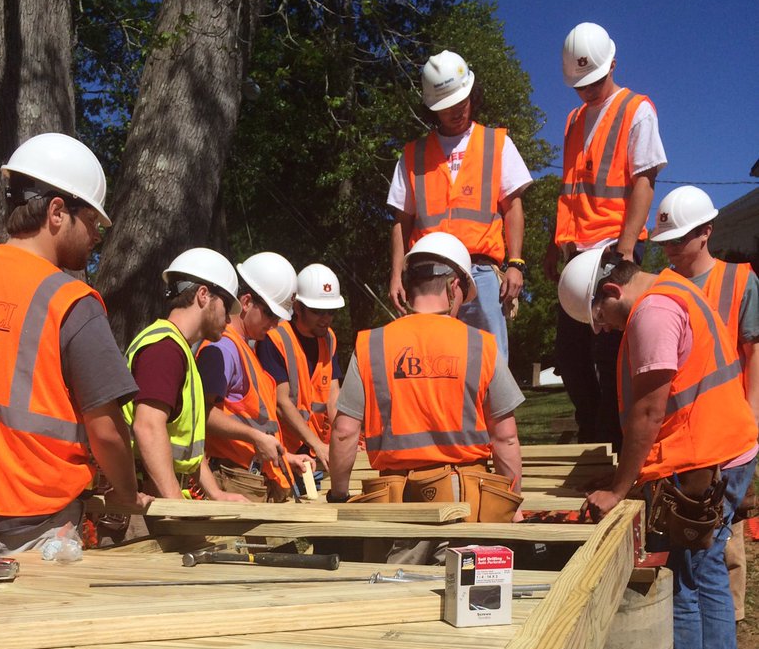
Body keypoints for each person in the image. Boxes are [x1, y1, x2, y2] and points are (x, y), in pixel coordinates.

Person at [0, 132, 151, 564]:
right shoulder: (69, 301)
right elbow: (107, 429)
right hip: (39, 524)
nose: (96, 236)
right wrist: (127, 492)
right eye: (92, 222)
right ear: (57, 211)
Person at [558, 249, 758, 649]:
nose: (601, 331)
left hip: (698, 462)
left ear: (610, 291)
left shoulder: (654, 312)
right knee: (709, 578)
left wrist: (618, 488)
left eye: (598, 319)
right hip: (727, 449)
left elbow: (648, 414)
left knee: (681, 585)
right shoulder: (678, 288)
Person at [329, 232, 524, 564]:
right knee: (465, 601)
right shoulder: (481, 345)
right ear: (453, 287)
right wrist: (512, 502)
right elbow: (505, 438)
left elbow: (344, 432)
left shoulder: (371, 346)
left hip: (395, 507)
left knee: (394, 600)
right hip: (466, 502)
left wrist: (338, 494)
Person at [545, 22, 667, 453]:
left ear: (612, 64)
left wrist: (627, 247)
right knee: (571, 356)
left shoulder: (637, 109)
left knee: (611, 358)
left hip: (612, 252)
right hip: (575, 254)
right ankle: (591, 437)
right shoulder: (575, 119)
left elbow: (644, 181)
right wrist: (553, 243)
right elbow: (571, 187)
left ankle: (613, 444)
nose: (588, 90)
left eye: (594, 80)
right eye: (579, 84)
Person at [651, 185, 759, 623]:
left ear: (706, 232)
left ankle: (727, 615)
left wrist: (752, 420)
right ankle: (709, 618)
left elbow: (753, 353)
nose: (672, 250)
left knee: (725, 533)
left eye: (679, 240)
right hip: (684, 436)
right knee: (696, 533)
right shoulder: (664, 286)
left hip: (730, 429)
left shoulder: (739, 280)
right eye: (666, 243)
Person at [387, 50, 532, 364]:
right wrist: (396, 275)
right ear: (432, 108)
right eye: (447, 106)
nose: (456, 111)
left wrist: (516, 264)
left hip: (482, 270)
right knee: (433, 360)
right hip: (427, 274)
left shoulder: (497, 143)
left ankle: (492, 416)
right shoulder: (413, 154)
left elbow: (513, 207)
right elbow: (402, 220)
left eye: (461, 102)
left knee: (491, 363)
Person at [124, 247, 249, 504]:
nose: (229, 319)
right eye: (226, 307)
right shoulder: (164, 349)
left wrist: (215, 493)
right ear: (203, 295)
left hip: (157, 497)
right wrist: (175, 502)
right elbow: (147, 427)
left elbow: (183, 448)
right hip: (144, 504)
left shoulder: (177, 348)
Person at [197, 251, 311, 502]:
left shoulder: (243, 348)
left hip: (248, 477)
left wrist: (283, 456)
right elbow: (200, 414)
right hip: (235, 479)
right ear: (246, 302)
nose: (274, 325)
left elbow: (254, 421)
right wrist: (255, 438)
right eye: (270, 314)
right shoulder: (223, 347)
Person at [256, 263, 345, 474]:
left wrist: (343, 438)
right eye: (318, 311)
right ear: (297, 307)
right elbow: (280, 401)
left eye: (331, 311)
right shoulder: (275, 338)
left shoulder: (329, 338)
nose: (326, 319)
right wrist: (316, 444)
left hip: (318, 452)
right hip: (284, 452)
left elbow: (333, 396)